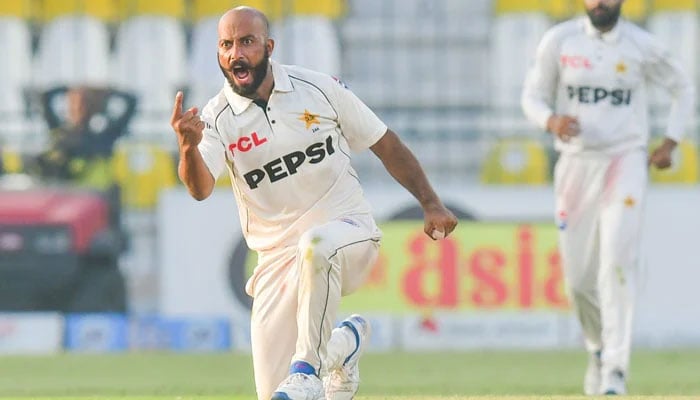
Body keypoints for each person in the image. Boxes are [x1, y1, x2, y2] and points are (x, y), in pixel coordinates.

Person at [170, 6, 458, 400]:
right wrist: (187, 147)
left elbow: (384, 142)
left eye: (247, 42)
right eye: (226, 45)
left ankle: (307, 369)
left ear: (268, 46)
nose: (236, 52)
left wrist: (430, 202)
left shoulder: (317, 88)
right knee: (275, 396)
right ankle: (344, 344)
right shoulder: (218, 118)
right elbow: (200, 188)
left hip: (349, 235)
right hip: (276, 262)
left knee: (316, 247)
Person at [521, 0, 694, 395]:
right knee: (578, 280)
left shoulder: (641, 44)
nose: (600, 2)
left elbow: (683, 87)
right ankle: (598, 350)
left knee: (616, 261)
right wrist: (550, 120)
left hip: (625, 160)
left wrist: (670, 141)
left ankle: (616, 367)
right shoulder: (559, 40)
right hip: (576, 165)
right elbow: (531, 96)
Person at [32, 85, 137, 189]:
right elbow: (46, 97)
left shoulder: (104, 137)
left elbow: (132, 101)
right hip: (65, 197)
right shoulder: (60, 132)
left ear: (94, 108)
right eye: (73, 104)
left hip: (93, 199)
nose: (76, 109)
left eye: (83, 105)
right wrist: (71, 87)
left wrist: (107, 91)